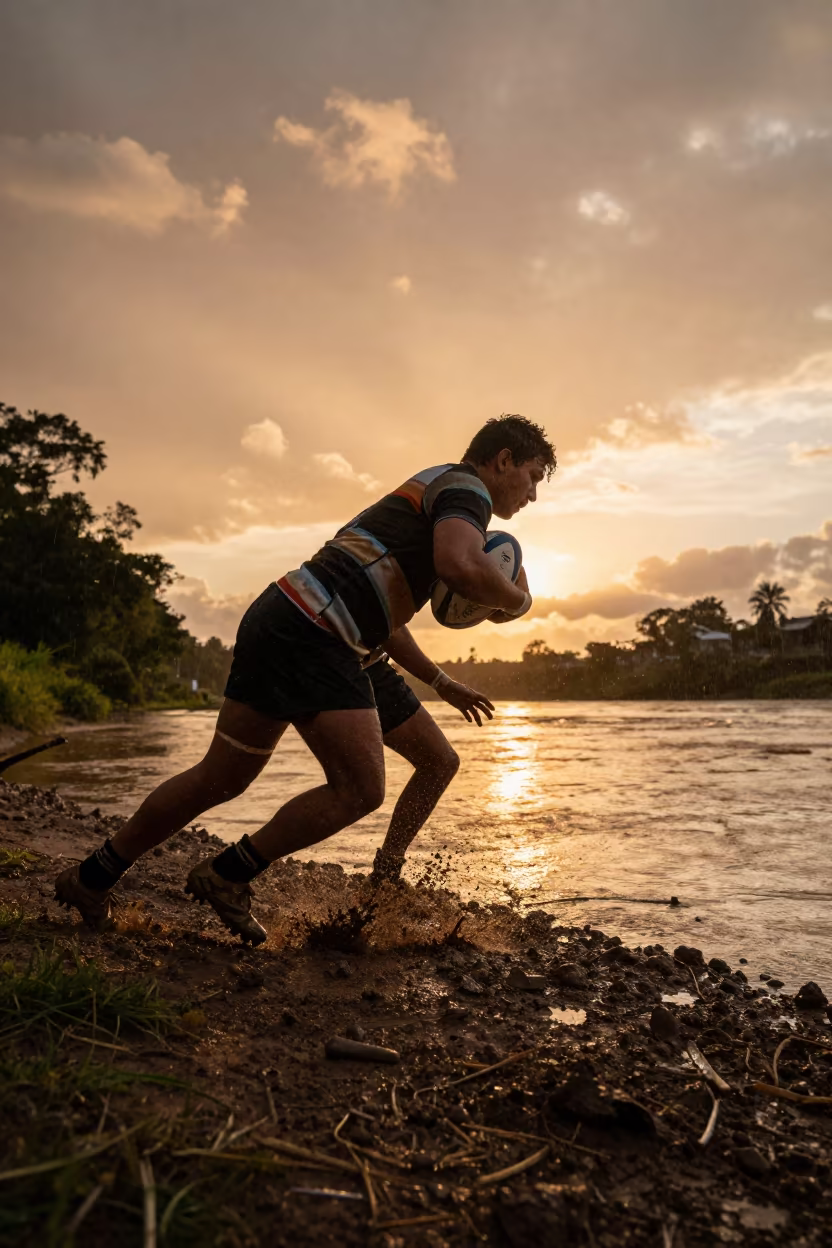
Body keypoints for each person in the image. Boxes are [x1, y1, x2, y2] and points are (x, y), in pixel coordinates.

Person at [55, 414, 556, 943]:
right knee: (359, 788)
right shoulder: (467, 489)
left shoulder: (439, 492)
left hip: (302, 622)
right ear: (504, 460)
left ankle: (92, 878)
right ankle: (227, 874)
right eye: (533, 477)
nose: (532, 494)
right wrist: (518, 600)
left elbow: (388, 613)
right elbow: (459, 566)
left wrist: (442, 681)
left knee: (224, 777)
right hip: (316, 630)